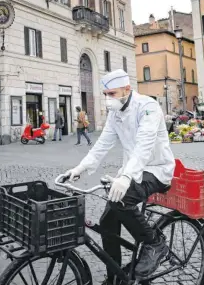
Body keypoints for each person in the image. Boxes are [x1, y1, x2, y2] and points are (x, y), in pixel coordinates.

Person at [65, 69, 176, 284]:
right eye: (106, 94)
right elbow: (102, 144)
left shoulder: (147, 107)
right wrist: (79, 168)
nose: (108, 99)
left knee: (123, 200)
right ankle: (115, 278)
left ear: (127, 89)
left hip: (157, 170)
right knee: (107, 222)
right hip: (131, 171)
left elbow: (144, 146)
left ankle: (155, 244)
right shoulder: (115, 114)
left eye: (112, 94)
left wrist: (126, 177)